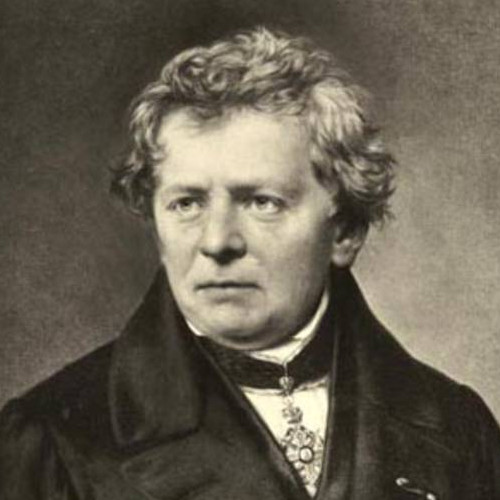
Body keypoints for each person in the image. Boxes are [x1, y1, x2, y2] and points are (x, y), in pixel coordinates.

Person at [1, 27, 499, 500]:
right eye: (187, 204)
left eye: (262, 202)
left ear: (345, 231)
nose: (217, 241)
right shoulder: (54, 440)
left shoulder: (457, 428)